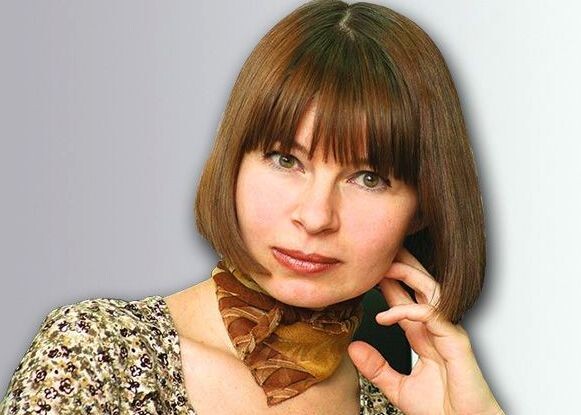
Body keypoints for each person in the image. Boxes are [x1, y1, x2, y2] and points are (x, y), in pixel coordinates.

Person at [0, 1, 505, 414]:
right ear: (233, 164)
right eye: (286, 160)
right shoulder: (95, 353)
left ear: (423, 208)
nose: (315, 216)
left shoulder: (398, 399)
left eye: (368, 178)